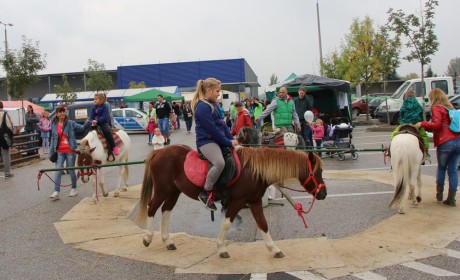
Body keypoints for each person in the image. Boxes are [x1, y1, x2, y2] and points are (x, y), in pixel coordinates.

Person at [192, 78, 238, 211]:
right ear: (209, 90)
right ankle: (206, 192)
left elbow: (222, 126)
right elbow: (213, 130)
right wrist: (228, 142)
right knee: (220, 163)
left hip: (215, 140)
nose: (219, 94)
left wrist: (232, 139)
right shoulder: (202, 107)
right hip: (206, 142)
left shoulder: (213, 105)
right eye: (217, 91)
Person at [415, 88, 460, 207]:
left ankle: (439, 195)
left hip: (445, 142)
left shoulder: (437, 108)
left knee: (442, 168)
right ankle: (451, 198)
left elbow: (437, 125)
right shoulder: (450, 109)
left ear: (434, 98)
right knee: (453, 170)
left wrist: (422, 124)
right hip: (458, 141)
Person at [49, 106, 90, 200]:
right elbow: (53, 139)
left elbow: (82, 128)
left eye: (64, 111)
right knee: (58, 171)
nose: (63, 113)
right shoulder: (54, 124)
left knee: (71, 171)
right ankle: (56, 191)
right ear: (57, 114)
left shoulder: (70, 123)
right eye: (61, 111)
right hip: (59, 152)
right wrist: (51, 152)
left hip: (70, 151)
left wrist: (87, 122)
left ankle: (74, 189)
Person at [391, 90, 430, 156]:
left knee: (393, 135)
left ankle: (391, 150)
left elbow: (401, 113)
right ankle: (426, 152)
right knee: (424, 137)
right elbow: (421, 114)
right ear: (414, 96)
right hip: (416, 124)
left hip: (404, 124)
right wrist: (420, 122)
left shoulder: (404, 103)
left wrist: (402, 122)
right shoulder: (417, 104)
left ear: (405, 96)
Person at [89, 93, 118, 159]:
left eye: (96, 99)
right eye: (94, 99)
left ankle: (114, 147)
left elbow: (105, 117)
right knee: (87, 132)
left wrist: (97, 121)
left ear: (101, 100)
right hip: (94, 124)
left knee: (107, 132)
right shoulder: (93, 108)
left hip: (103, 123)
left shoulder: (105, 107)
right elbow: (91, 117)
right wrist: (92, 121)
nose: (94, 100)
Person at [0, 101, 14, 178]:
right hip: (3, 136)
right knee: (6, 155)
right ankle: (7, 173)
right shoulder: (5, 114)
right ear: (2, 106)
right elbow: (10, 126)